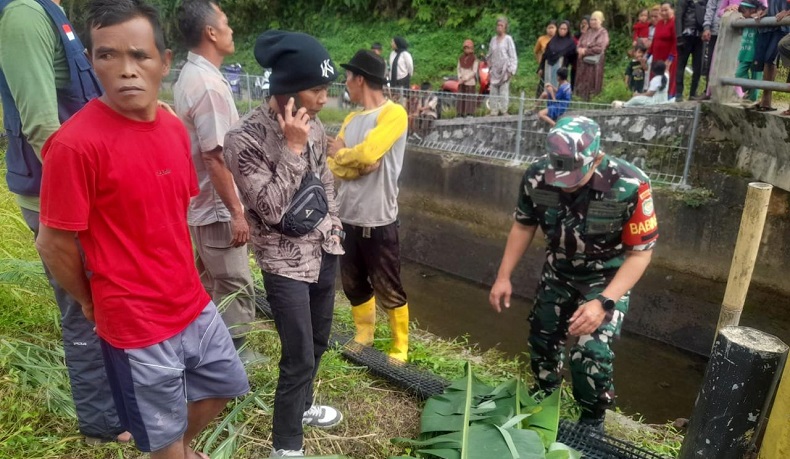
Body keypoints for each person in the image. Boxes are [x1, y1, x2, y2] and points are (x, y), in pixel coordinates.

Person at [35, 1, 250, 457]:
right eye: (107, 55)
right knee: (162, 435)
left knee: (227, 382)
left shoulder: (173, 129)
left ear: (164, 62)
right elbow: (53, 243)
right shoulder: (74, 146)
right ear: (92, 61)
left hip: (190, 301)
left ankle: (182, 449)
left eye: (140, 55)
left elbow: (176, 214)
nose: (125, 70)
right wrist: (90, 301)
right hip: (134, 321)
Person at [0, 0, 128, 445]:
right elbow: (41, 125)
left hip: (86, 188)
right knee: (82, 304)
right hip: (58, 195)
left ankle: (121, 402)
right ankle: (101, 423)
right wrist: (78, 198)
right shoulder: (24, 16)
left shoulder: (52, 10)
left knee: (106, 295)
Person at [489, 116, 658, 432]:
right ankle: (545, 395)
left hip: (607, 277)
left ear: (596, 157)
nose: (567, 182)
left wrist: (603, 303)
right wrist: (503, 276)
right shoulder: (538, 176)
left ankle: (592, 421)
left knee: (589, 353)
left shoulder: (630, 184)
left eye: (575, 174)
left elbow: (640, 254)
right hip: (559, 270)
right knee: (542, 335)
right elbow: (524, 225)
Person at [223, 30, 345, 458]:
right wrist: (292, 149)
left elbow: (325, 183)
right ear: (288, 92)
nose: (323, 100)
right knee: (297, 357)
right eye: (317, 90)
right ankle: (286, 446)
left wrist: (334, 230)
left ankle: (304, 407)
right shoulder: (244, 139)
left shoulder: (315, 128)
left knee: (318, 343)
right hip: (284, 263)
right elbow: (271, 209)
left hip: (324, 251)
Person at [173, 0, 258, 364]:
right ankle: (235, 359)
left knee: (210, 281)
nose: (231, 29)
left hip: (202, 203)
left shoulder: (193, 75)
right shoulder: (208, 85)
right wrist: (237, 212)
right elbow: (215, 155)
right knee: (235, 284)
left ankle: (207, 351)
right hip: (216, 207)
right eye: (225, 22)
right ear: (211, 32)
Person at [328, 49, 411, 362]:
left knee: (388, 284)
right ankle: (364, 334)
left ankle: (399, 345)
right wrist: (356, 161)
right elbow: (336, 165)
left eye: (348, 78)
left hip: (379, 218)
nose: (345, 84)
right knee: (352, 282)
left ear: (360, 79)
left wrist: (348, 155)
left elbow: (366, 155)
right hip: (347, 216)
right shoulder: (350, 119)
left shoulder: (394, 114)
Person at [750, 0, 790, 111]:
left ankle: (766, 101)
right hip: (769, 26)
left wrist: (788, 12)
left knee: (770, 60)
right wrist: (765, 12)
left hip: (783, 27)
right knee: (764, 62)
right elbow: (774, 5)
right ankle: (765, 100)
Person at [674, 0, 707, 101]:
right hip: (686, 35)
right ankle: (679, 93)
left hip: (700, 37)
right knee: (681, 64)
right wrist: (679, 36)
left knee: (698, 66)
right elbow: (678, 16)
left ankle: (693, 93)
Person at [734, 2, 766, 103]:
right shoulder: (745, 21)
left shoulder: (759, 20)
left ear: (752, 10)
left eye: (744, 12)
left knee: (756, 75)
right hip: (744, 53)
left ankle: (751, 99)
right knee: (739, 73)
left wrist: (757, 17)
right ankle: (748, 88)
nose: (742, 15)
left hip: (756, 53)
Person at [575, 11, 609, 101]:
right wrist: (579, 49)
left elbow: (600, 48)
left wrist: (585, 50)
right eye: (591, 20)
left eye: (595, 19)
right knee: (581, 83)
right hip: (582, 63)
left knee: (593, 82)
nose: (592, 22)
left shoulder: (603, 33)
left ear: (601, 21)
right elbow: (579, 43)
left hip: (594, 63)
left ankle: (592, 100)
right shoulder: (587, 32)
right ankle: (581, 100)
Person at [487, 16, 518, 116]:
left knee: (504, 92)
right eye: (498, 25)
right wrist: (489, 66)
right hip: (494, 70)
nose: (499, 27)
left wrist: (511, 70)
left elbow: (513, 56)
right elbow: (489, 55)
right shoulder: (493, 40)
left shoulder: (508, 39)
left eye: (501, 25)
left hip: (505, 70)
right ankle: (493, 111)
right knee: (493, 91)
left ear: (505, 27)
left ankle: (504, 111)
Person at [648, 2, 677, 98]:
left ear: (672, 10)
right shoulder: (659, 23)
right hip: (657, 56)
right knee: (655, 76)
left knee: (668, 77)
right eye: (662, 10)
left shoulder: (674, 22)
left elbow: (675, 41)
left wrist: (670, 58)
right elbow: (655, 39)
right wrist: (649, 54)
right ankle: (652, 96)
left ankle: (669, 97)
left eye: (666, 10)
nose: (663, 12)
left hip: (668, 56)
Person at [539, 20, 576, 89]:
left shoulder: (570, 42)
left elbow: (573, 58)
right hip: (548, 68)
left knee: (558, 90)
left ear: (568, 30)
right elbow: (545, 54)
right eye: (560, 28)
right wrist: (541, 67)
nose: (562, 31)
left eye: (564, 29)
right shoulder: (553, 40)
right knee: (546, 88)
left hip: (561, 70)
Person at [456, 39, 479, 116]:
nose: (467, 49)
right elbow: (458, 68)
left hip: (470, 82)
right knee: (461, 98)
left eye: (468, 48)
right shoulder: (461, 58)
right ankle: (460, 113)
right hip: (461, 81)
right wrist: (460, 77)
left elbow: (474, 71)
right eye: (465, 48)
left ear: (471, 48)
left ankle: (469, 114)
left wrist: (465, 79)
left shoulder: (474, 59)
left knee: (469, 98)